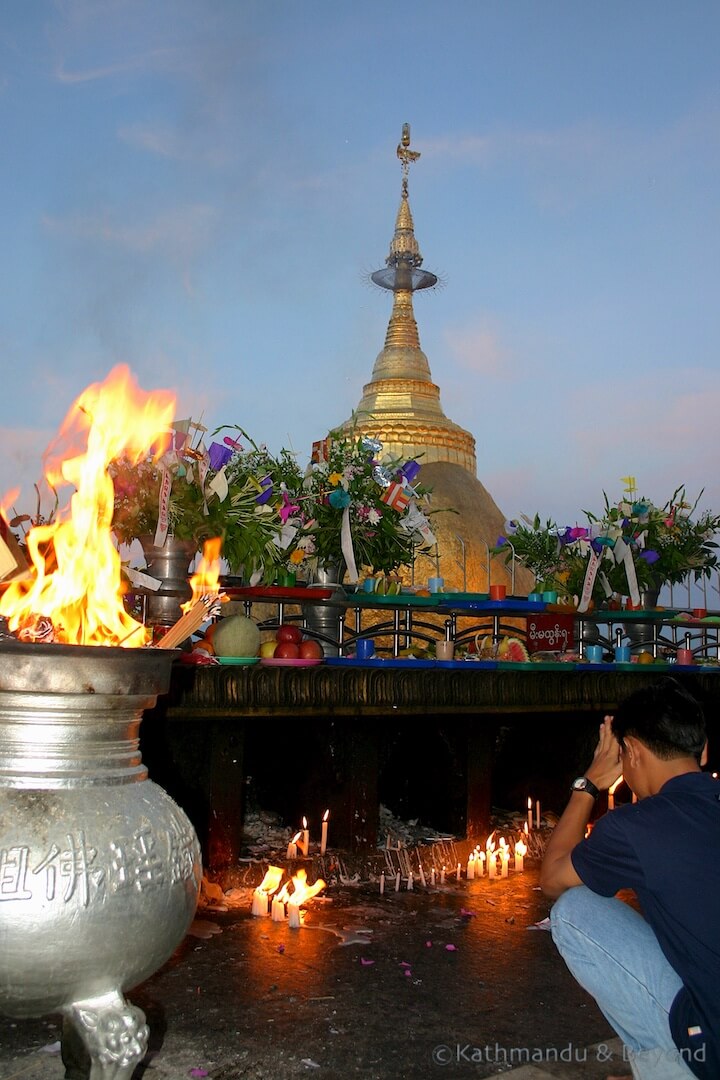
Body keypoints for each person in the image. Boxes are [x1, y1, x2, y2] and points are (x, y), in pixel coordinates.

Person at [540, 677, 719, 1080]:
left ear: (632, 753)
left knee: (574, 910)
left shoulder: (637, 826)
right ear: (703, 751)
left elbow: (552, 878)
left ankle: (669, 1069)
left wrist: (588, 784)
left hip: (713, 1041)